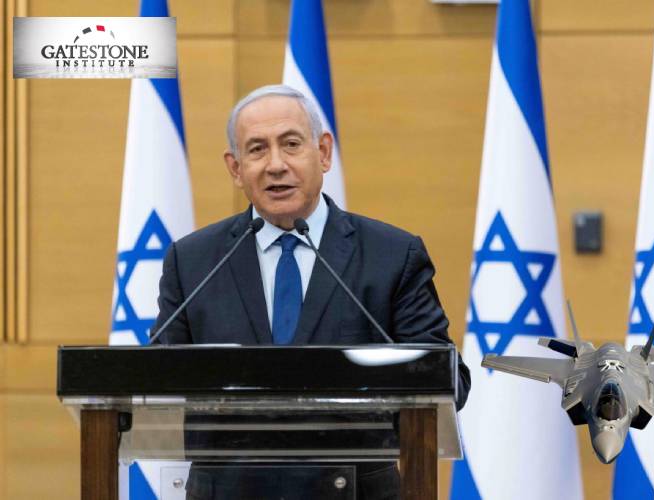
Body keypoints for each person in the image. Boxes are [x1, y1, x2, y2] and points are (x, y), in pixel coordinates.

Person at [153, 84, 471, 500]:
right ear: (235, 168)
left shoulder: (392, 255)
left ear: (323, 152)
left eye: (291, 144)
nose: (276, 165)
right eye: (257, 149)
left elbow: (448, 380)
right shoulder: (193, 260)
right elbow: (157, 379)